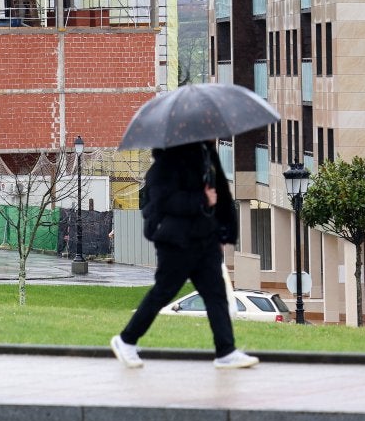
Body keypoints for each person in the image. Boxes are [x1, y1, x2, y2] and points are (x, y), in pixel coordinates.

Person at [110, 141, 259, 370]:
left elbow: (219, 191)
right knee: (163, 292)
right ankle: (126, 340)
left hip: (204, 237)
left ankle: (226, 351)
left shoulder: (205, 153)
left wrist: (221, 231)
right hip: (176, 240)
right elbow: (163, 201)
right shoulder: (166, 163)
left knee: (216, 294)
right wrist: (202, 200)